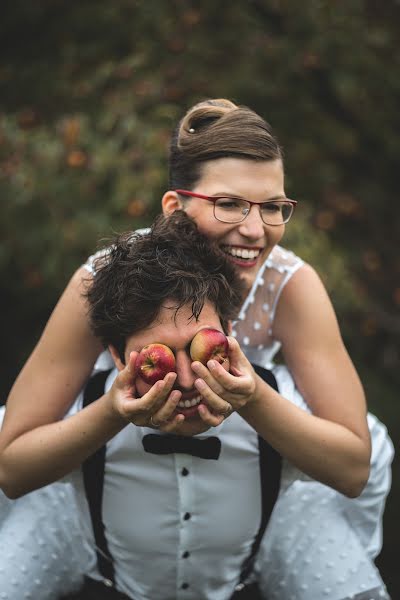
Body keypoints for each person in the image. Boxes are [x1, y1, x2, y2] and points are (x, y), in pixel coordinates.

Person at [0, 99, 393, 599]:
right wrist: (115, 410)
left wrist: (253, 398)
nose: (255, 230)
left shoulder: (290, 287)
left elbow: (351, 465)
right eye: (229, 203)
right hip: (108, 487)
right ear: (175, 207)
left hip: (252, 490)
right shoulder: (107, 281)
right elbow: (12, 464)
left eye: (273, 206)